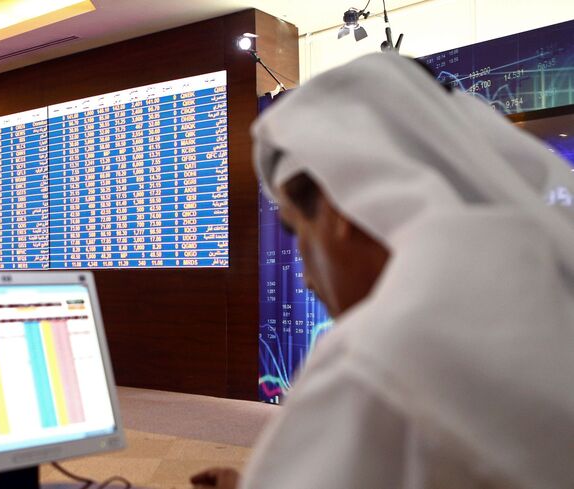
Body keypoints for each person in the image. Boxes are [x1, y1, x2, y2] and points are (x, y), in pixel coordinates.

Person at [191, 53, 574, 488]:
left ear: (338, 213)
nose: (306, 277)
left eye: (297, 230)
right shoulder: (547, 276)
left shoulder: (373, 357)